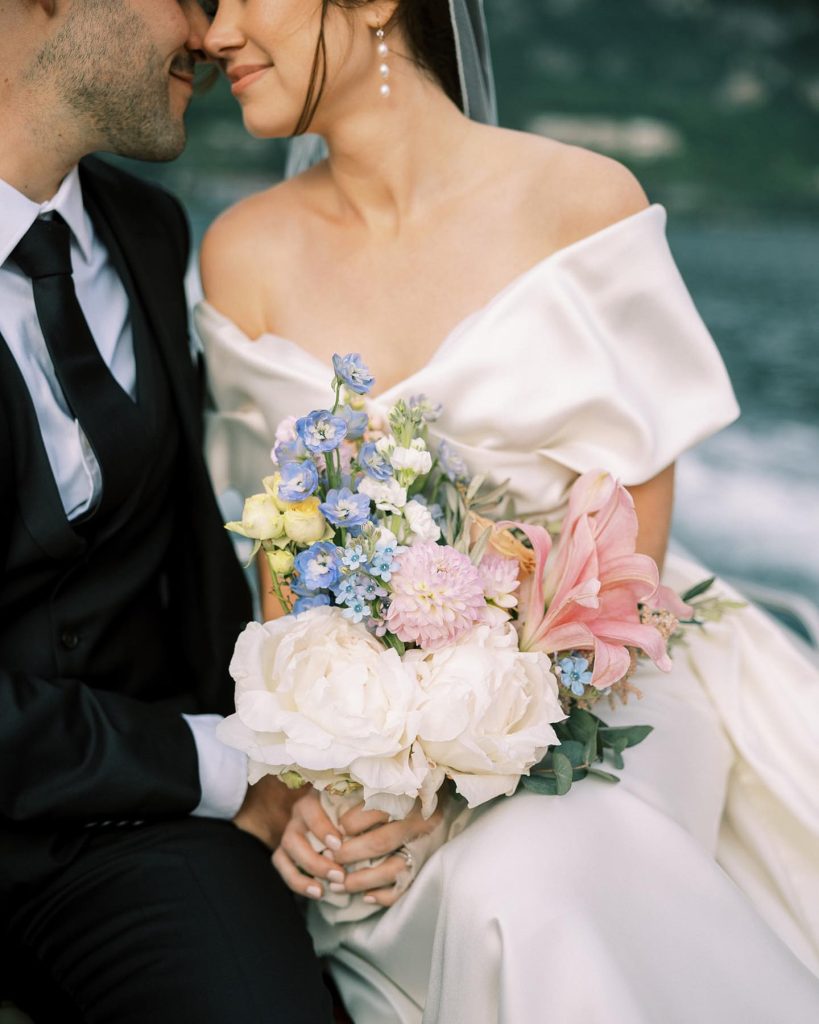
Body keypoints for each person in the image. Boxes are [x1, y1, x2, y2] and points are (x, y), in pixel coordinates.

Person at [198, 0, 819, 1021]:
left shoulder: (583, 200)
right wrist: (326, 773)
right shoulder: (241, 253)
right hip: (373, 749)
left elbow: (635, 573)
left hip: (607, 697)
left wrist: (465, 762)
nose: (215, 33)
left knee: (530, 877)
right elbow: (279, 579)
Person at [0, 2, 335, 1020]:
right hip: (168, 770)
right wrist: (222, 767)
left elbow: (190, 553)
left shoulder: (147, 230)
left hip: (132, 836)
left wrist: (312, 753)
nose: (210, 31)